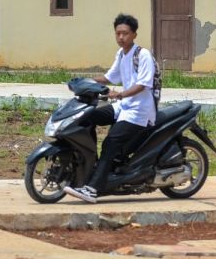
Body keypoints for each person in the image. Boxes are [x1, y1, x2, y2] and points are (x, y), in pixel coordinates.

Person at [64, 13, 157, 203]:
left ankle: (93, 189)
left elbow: (143, 84)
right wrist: (85, 81)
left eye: (125, 33)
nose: (121, 37)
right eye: (118, 33)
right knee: (87, 116)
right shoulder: (121, 54)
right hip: (124, 107)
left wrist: (120, 94)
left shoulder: (143, 55)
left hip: (139, 111)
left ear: (134, 34)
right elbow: (109, 78)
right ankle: (92, 163)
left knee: (111, 142)